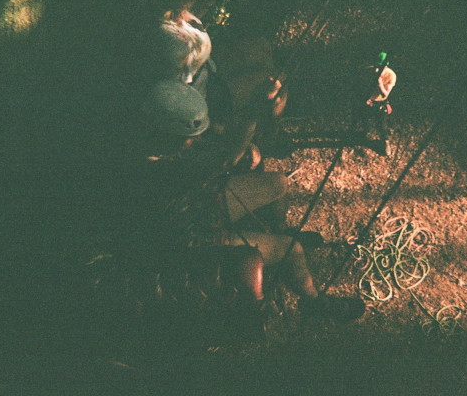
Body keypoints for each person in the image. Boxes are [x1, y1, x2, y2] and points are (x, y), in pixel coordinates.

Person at [126, 78, 365, 321]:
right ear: (171, 135)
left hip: (203, 203)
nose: (196, 139)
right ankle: (315, 303)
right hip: (193, 236)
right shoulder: (159, 170)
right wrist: (254, 113)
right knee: (291, 249)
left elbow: (223, 138)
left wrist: (265, 118)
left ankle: (278, 231)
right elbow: (225, 158)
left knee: (278, 184)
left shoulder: (152, 139)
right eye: (191, 136)